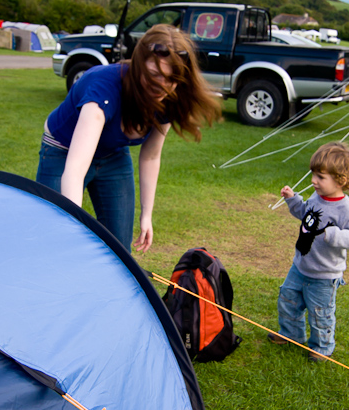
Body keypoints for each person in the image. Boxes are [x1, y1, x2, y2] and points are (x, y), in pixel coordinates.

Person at [36, 24, 220, 253]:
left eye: (171, 79)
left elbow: (151, 156)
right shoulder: (103, 88)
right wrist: (72, 226)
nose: (162, 86)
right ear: (138, 65)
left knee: (120, 249)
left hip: (113, 153)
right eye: (154, 75)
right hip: (62, 150)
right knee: (54, 236)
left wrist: (147, 214)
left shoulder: (169, 98)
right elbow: (74, 170)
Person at [269, 142, 349, 362]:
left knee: (320, 313)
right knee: (288, 299)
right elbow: (306, 214)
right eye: (314, 174)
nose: (314, 181)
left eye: (320, 177)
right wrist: (293, 200)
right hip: (301, 265)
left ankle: (322, 347)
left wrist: (334, 235)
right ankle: (291, 334)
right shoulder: (317, 197)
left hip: (324, 275)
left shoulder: (345, 208)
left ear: (340, 180)